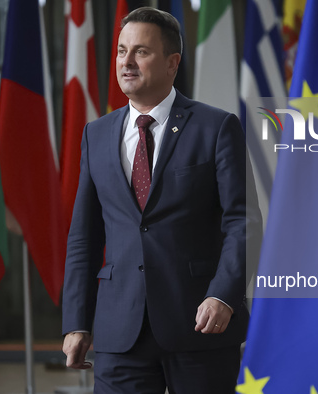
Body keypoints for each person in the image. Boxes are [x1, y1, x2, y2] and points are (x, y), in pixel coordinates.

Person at [61, 7, 262, 393]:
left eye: (141, 52)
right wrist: (77, 321)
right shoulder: (96, 135)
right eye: (121, 51)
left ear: (173, 62)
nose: (127, 62)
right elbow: (84, 238)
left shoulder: (216, 127)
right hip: (119, 331)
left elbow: (243, 222)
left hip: (200, 322)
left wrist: (223, 294)